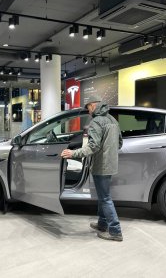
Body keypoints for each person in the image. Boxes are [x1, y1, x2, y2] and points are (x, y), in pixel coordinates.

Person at [61, 95, 123, 241]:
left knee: (105, 198)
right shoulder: (113, 120)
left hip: (101, 165)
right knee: (103, 196)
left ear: (94, 105)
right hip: (111, 164)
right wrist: (109, 152)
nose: (88, 111)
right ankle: (102, 224)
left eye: (88, 108)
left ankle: (115, 231)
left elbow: (93, 146)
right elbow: (119, 143)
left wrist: (73, 153)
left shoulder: (96, 122)